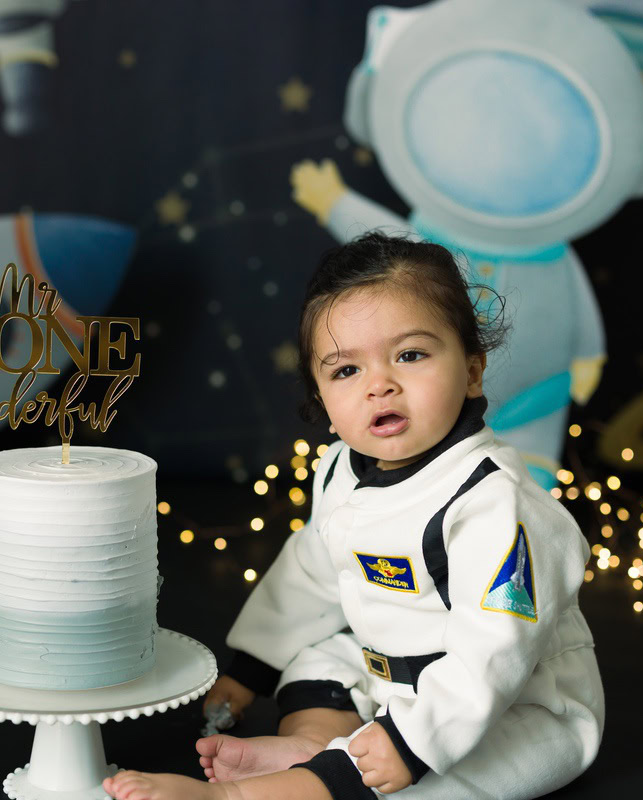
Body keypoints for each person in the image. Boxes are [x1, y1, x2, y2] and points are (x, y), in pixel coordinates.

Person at [104, 232, 604, 800]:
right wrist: (250, 669)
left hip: (507, 704)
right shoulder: (341, 468)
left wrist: (412, 742)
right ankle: (314, 746)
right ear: (321, 400)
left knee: (432, 779)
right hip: (390, 671)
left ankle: (246, 795)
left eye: (410, 355)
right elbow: (313, 570)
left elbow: (496, 651)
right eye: (346, 371)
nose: (379, 385)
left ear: (471, 371)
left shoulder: (493, 502)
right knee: (318, 656)